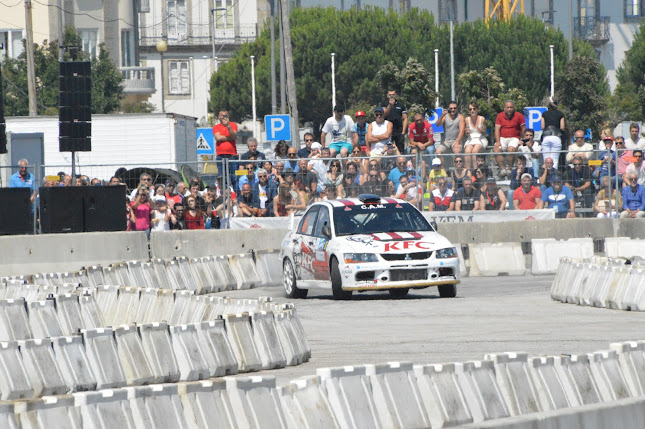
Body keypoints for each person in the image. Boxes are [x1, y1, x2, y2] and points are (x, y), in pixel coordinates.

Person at [494, 100, 526, 177]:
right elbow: (497, 129)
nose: (509, 109)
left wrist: (522, 139)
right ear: (504, 108)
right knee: (497, 149)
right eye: (507, 107)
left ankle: (509, 169)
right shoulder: (499, 116)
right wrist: (498, 142)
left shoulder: (519, 116)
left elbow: (523, 128)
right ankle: (503, 169)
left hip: (514, 138)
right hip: (503, 138)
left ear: (514, 108)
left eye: (511, 107)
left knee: (511, 149)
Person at [540, 97, 566, 168]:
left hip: (546, 136)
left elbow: (542, 127)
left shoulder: (544, 114)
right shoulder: (560, 114)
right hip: (556, 137)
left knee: (546, 159)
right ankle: (553, 176)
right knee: (554, 160)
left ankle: (545, 175)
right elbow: (562, 127)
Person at [382, 89, 408, 154]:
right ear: (387, 95)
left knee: (400, 150)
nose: (391, 96)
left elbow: (405, 119)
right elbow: (384, 115)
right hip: (388, 132)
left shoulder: (400, 105)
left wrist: (403, 133)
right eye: (390, 95)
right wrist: (390, 105)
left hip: (398, 131)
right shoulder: (384, 104)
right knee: (388, 150)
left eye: (393, 95)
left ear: (396, 95)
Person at [463, 102, 487, 170]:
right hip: (471, 138)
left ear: (477, 110)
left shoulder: (482, 119)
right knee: (467, 152)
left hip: (480, 138)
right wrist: (467, 132)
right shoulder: (467, 119)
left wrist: (481, 130)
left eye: (474, 109)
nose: (472, 111)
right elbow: (466, 132)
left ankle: (475, 171)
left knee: (474, 152)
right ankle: (468, 171)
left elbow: (484, 132)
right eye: (470, 109)